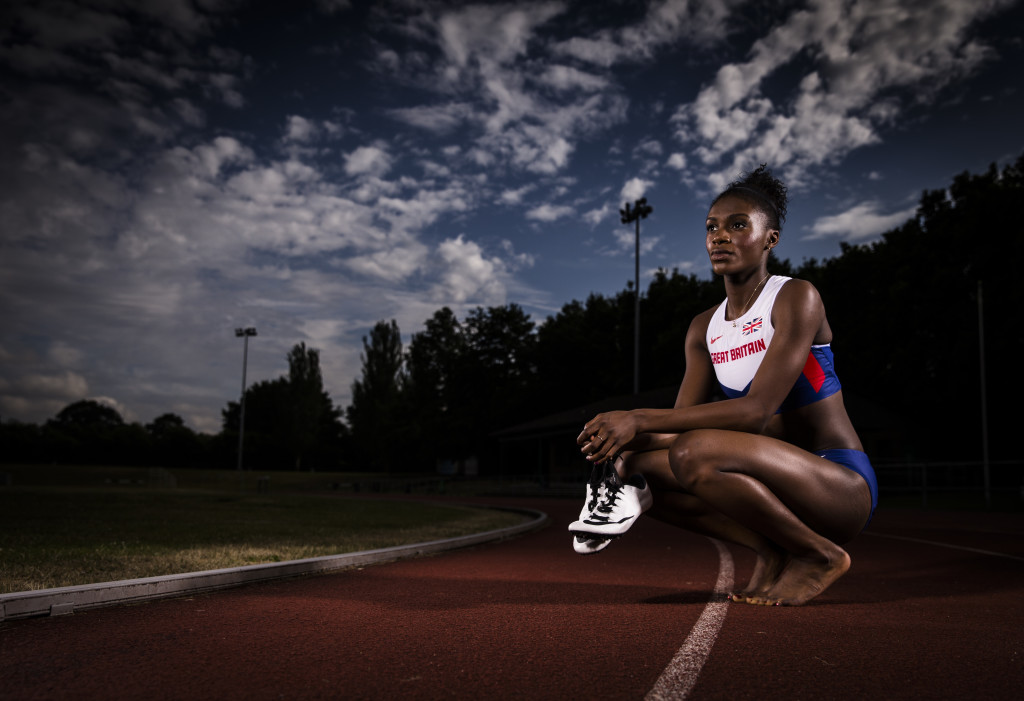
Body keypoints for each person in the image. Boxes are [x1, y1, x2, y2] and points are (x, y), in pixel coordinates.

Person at [568, 165, 877, 607]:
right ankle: (772, 548)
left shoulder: (795, 296)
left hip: (837, 485)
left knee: (694, 451)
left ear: (770, 238)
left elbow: (755, 412)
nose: (719, 236)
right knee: (638, 467)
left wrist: (637, 417)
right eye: (712, 227)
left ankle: (819, 554)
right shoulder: (703, 328)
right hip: (770, 486)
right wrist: (616, 447)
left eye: (737, 225)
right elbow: (673, 427)